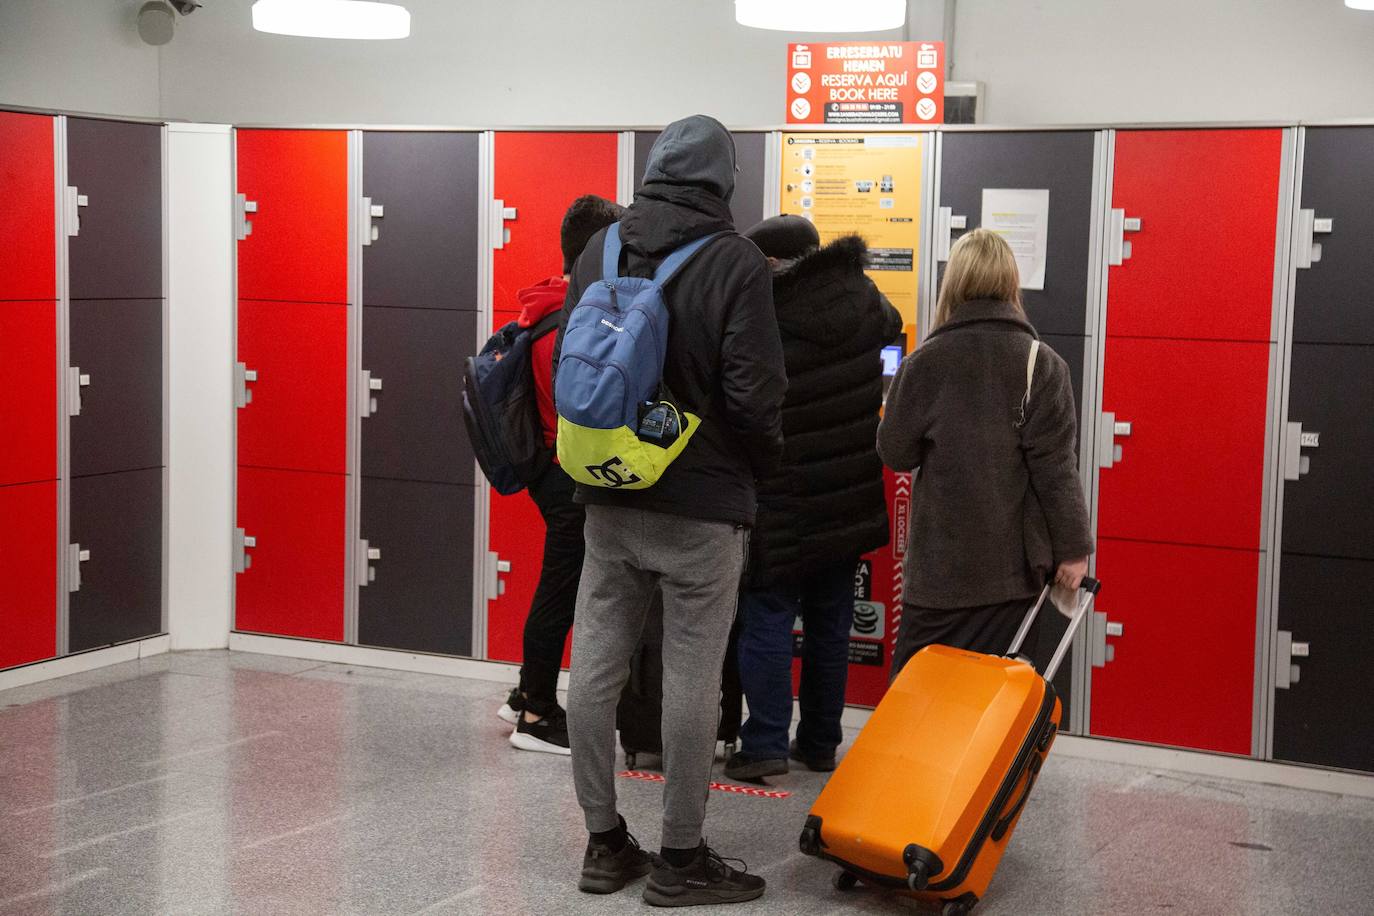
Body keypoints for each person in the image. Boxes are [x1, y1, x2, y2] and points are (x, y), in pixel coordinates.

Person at [556, 115, 786, 906]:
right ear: (723, 182)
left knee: (594, 664)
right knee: (692, 678)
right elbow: (755, 397)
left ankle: (602, 842)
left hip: (610, 493)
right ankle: (681, 860)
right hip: (702, 503)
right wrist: (760, 472)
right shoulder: (735, 262)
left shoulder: (600, 248)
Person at [724, 217, 901, 782]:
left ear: (773, 264)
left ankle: (765, 743)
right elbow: (894, 337)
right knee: (832, 621)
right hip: (848, 491)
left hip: (782, 492)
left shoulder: (766, 313)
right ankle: (821, 741)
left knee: (768, 615)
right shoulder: (867, 299)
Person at [878, 228, 1093, 679]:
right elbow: (1057, 472)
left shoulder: (924, 363)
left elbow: (895, 452)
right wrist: (1073, 551)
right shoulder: (1042, 364)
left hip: (938, 579)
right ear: (1011, 283)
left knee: (918, 706)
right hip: (1010, 579)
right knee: (989, 714)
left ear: (953, 283)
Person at [497, 194, 625, 755]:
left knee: (559, 582)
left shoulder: (546, 301)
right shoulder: (574, 318)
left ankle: (526, 691)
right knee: (560, 588)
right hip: (566, 470)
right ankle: (537, 713)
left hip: (547, 466)